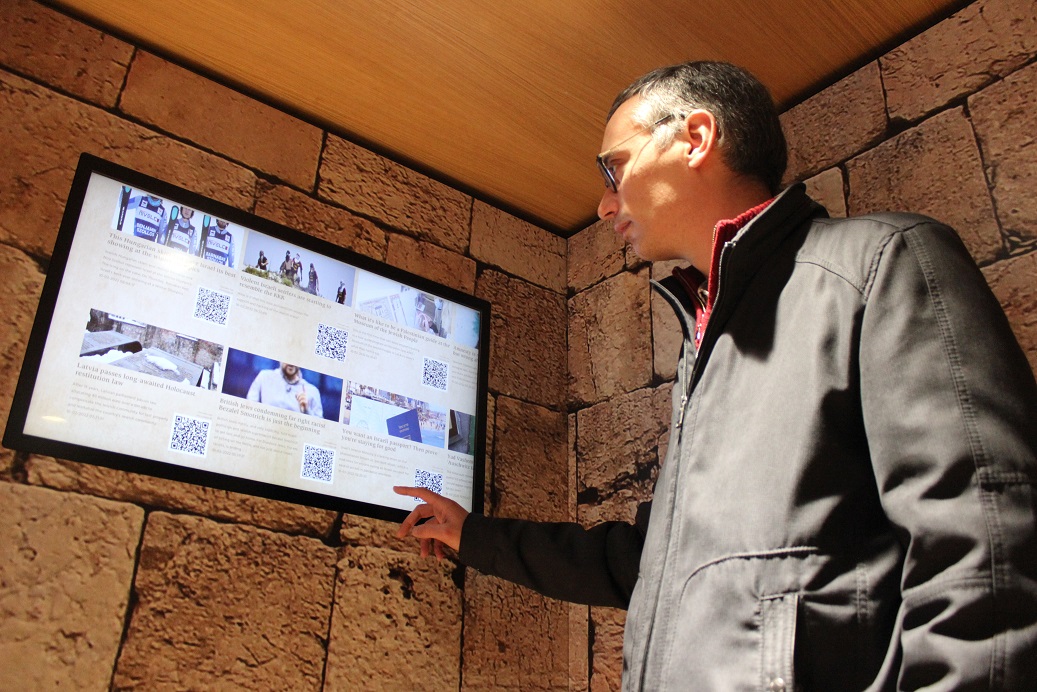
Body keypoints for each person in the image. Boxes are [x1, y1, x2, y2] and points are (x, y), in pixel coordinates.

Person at [395, 61, 1037, 690]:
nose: (603, 204)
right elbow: (646, 563)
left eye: (614, 168)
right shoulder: (703, 343)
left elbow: (986, 547)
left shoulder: (880, 262)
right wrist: (471, 535)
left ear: (696, 137)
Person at [246, 362, 323, 417]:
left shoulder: (312, 391)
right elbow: (249, 410)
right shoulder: (264, 377)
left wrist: (307, 411)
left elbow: (319, 429)